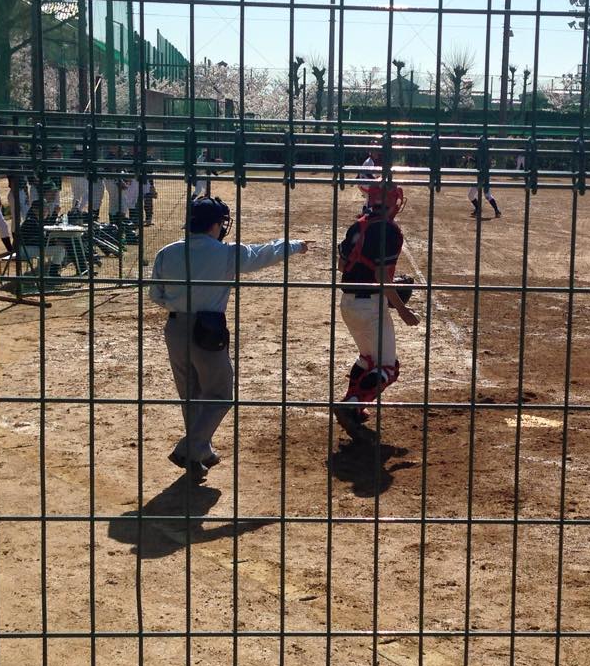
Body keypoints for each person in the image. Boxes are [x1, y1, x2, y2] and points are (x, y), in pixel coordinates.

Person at [149, 197, 311, 480]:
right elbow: (265, 253)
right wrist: (296, 245)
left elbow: (155, 295)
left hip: (174, 328)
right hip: (206, 330)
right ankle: (188, 448)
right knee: (220, 394)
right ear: (215, 225)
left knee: (190, 394)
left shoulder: (167, 251)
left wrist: (180, 304)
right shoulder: (226, 253)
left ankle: (202, 452)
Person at [334, 182, 419, 440]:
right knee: (388, 368)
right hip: (370, 306)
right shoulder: (390, 231)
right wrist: (402, 310)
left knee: (368, 359)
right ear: (392, 203)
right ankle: (351, 404)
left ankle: (355, 407)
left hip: (349, 304)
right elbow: (382, 275)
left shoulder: (358, 225)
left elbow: (342, 265)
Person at [356, 145, 381, 216]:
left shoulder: (369, 161)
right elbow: (368, 173)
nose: (377, 154)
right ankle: (367, 214)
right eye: (375, 153)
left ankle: (364, 213)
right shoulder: (370, 162)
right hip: (364, 184)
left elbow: (363, 172)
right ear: (372, 153)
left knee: (368, 198)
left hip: (363, 183)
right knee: (372, 195)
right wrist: (376, 180)